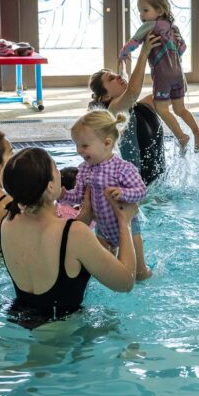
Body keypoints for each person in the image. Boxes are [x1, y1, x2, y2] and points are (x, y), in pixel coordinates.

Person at [0, 147, 138, 329]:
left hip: (19, 317)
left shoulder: (8, 222)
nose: (59, 172)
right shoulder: (75, 233)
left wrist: (86, 215)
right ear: (50, 186)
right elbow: (125, 282)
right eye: (55, 168)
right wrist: (124, 222)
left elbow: (55, 244)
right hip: (64, 331)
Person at [62, 111, 151, 281]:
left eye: (84, 146)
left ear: (107, 143)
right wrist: (64, 194)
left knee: (139, 274)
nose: (79, 151)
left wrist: (124, 193)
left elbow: (141, 191)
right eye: (77, 145)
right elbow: (79, 197)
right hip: (103, 229)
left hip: (129, 228)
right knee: (105, 274)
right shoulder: (84, 168)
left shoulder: (122, 168)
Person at [118, 0, 199, 151]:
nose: (141, 15)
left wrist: (123, 52)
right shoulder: (174, 28)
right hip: (179, 75)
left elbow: (134, 41)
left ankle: (182, 136)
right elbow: (182, 48)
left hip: (163, 77)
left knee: (161, 108)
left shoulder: (149, 26)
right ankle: (196, 131)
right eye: (140, 11)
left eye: (145, 10)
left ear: (160, 11)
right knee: (180, 109)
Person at [89, 35, 165, 186]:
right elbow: (132, 92)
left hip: (159, 189)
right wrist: (143, 53)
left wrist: (165, 55)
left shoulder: (146, 105)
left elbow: (172, 90)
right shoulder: (114, 113)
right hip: (134, 193)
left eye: (116, 75)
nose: (118, 77)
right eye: (111, 79)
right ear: (106, 96)